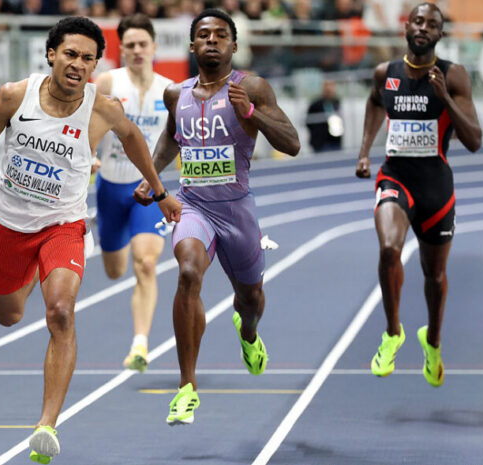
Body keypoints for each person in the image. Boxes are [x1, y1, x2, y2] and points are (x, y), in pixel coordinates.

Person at [0, 17, 181, 464]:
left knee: (60, 311)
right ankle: (25, 275)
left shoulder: (103, 108)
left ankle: (46, 425)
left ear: (95, 65)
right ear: (51, 55)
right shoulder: (13, 96)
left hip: (63, 225)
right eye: (70, 54)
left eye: (87, 58)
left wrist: (160, 194)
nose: (78, 64)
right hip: (9, 225)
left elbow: (135, 140)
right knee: (9, 315)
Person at [134, 9, 300, 425]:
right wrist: (151, 177)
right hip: (194, 207)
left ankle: (248, 334)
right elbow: (171, 137)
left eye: (221, 35)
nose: (212, 40)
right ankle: (187, 387)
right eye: (204, 34)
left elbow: (292, 143)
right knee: (188, 272)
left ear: (234, 45)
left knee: (251, 299)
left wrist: (252, 113)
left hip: (238, 211)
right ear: (192, 45)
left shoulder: (252, 87)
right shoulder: (176, 94)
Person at [354, 2, 481, 387]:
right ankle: (393, 332)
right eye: (418, 21)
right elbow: (375, 102)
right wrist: (364, 151)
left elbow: (474, 140)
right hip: (395, 177)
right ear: (406, 27)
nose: (424, 27)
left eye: (432, 24)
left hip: (436, 188)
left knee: (435, 275)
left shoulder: (453, 75)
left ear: (440, 34)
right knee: (389, 249)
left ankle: (433, 341)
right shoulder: (386, 73)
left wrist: (445, 98)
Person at [93, 13, 174, 373]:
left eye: (143, 44)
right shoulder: (108, 81)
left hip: (149, 189)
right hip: (110, 186)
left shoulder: (170, 90)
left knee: (147, 263)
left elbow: (177, 139)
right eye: (130, 45)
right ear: (121, 49)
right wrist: (89, 155)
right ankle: (120, 239)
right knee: (115, 270)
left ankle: (140, 344)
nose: (137, 50)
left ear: (154, 47)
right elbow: (86, 124)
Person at [306, 79, 343, 152]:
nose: (330, 93)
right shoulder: (316, 104)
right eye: (327, 91)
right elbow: (309, 121)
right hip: (320, 142)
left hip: (335, 140)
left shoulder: (336, 102)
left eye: (331, 90)